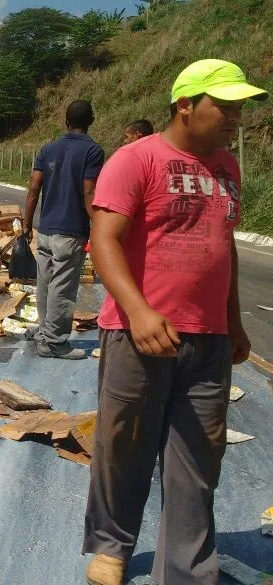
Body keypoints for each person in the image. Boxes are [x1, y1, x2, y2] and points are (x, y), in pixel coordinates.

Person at [82, 59, 264, 585]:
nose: (234, 117)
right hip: (138, 334)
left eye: (239, 108)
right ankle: (113, 545)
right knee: (125, 444)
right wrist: (138, 311)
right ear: (186, 104)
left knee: (199, 459)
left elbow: (221, 247)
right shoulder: (136, 159)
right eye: (224, 106)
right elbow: (103, 240)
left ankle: (186, 572)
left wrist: (234, 322)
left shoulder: (228, 165)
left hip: (206, 339)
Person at [23, 100, 105, 360]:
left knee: (45, 283)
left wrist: (27, 223)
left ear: (65, 121)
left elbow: (34, 188)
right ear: (91, 120)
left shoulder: (48, 149)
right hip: (71, 231)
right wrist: (100, 227)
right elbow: (89, 191)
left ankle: (44, 332)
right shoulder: (92, 151)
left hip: (45, 229)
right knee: (63, 287)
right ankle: (55, 343)